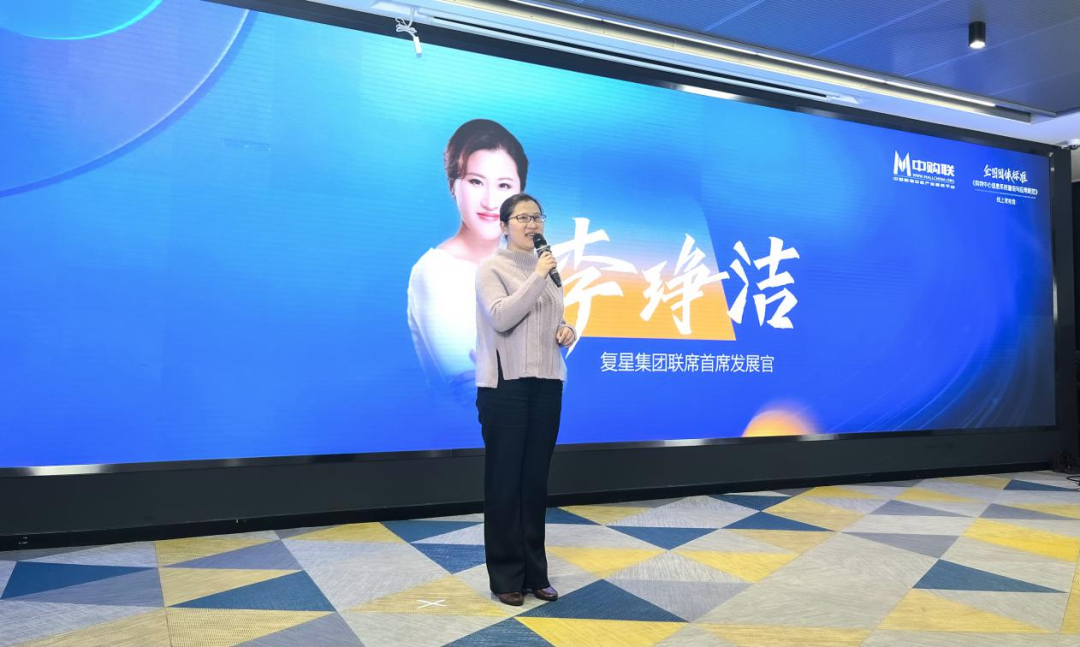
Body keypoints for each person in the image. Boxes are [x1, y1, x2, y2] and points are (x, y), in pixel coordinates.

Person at [474, 193, 576, 606]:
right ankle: (506, 576)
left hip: (547, 383)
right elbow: (502, 317)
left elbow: (552, 319)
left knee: (534, 483)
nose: (532, 224)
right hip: (505, 386)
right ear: (504, 226)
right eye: (522, 218)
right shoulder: (492, 268)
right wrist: (536, 276)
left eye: (537, 217)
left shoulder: (548, 270)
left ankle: (536, 573)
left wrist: (568, 331)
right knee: (505, 483)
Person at [407, 119, 529, 403]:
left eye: (504, 185)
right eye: (476, 181)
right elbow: (468, 392)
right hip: (460, 430)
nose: (490, 201)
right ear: (453, 185)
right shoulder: (436, 271)